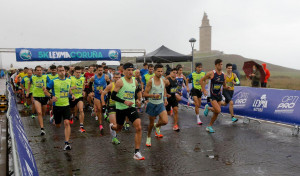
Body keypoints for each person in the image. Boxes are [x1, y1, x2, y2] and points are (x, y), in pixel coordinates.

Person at [111, 62, 144, 160]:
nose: (130, 72)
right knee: (118, 128)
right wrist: (124, 101)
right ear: (123, 71)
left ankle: (136, 152)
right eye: (128, 70)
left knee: (138, 127)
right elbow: (113, 96)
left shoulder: (135, 81)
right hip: (121, 108)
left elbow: (136, 91)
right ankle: (112, 127)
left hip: (131, 107)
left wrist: (138, 99)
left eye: (132, 70)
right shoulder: (120, 82)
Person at [45, 65, 75, 150]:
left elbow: (69, 89)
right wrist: (51, 97)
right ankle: (53, 117)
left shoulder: (69, 80)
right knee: (58, 125)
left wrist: (72, 95)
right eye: (60, 71)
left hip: (66, 105)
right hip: (57, 106)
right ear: (58, 72)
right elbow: (45, 91)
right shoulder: (53, 81)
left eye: (63, 70)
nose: (62, 72)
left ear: (65, 71)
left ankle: (67, 143)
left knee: (66, 123)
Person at [201, 59, 229, 133]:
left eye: (222, 64)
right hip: (211, 95)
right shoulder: (211, 73)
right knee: (218, 110)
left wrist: (227, 87)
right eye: (219, 64)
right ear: (216, 65)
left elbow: (224, 85)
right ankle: (209, 108)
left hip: (218, 95)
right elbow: (202, 80)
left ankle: (209, 126)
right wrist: (203, 89)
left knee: (216, 112)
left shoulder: (224, 75)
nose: (221, 66)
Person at [144, 63, 168, 147]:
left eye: (161, 71)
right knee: (150, 124)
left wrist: (165, 99)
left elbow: (164, 89)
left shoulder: (163, 80)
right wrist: (153, 95)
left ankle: (157, 126)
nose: (160, 73)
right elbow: (145, 94)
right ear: (154, 71)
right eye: (158, 71)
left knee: (165, 121)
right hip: (152, 104)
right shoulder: (151, 81)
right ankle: (148, 137)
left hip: (160, 104)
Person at [27, 65, 51, 135]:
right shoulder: (33, 77)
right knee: (39, 112)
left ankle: (42, 121)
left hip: (44, 96)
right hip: (36, 96)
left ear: (42, 71)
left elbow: (50, 84)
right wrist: (28, 91)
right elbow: (29, 83)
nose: (39, 71)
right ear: (35, 71)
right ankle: (42, 129)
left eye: (40, 70)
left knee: (43, 113)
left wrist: (46, 88)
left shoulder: (46, 76)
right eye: (37, 70)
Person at [101, 72, 122, 144]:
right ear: (113, 78)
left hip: (120, 106)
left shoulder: (123, 85)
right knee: (114, 123)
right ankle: (114, 138)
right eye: (116, 77)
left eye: (119, 77)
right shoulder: (110, 86)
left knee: (119, 125)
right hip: (111, 106)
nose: (118, 79)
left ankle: (108, 120)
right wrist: (103, 105)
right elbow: (103, 94)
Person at [89, 65, 110, 132]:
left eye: (101, 70)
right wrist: (91, 92)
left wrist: (105, 91)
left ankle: (105, 114)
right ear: (97, 70)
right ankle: (100, 124)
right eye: (99, 70)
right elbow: (89, 84)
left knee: (103, 109)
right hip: (97, 95)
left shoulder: (106, 76)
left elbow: (109, 85)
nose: (100, 71)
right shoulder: (93, 77)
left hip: (104, 95)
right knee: (99, 109)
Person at [70, 66, 86, 133]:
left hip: (79, 97)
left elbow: (83, 86)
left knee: (81, 110)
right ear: (74, 72)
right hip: (72, 97)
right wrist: (71, 89)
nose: (78, 74)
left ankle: (81, 126)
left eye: (79, 72)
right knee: (72, 110)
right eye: (77, 72)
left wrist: (83, 91)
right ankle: (71, 116)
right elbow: (67, 88)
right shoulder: (70, 79)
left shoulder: (83, 78)